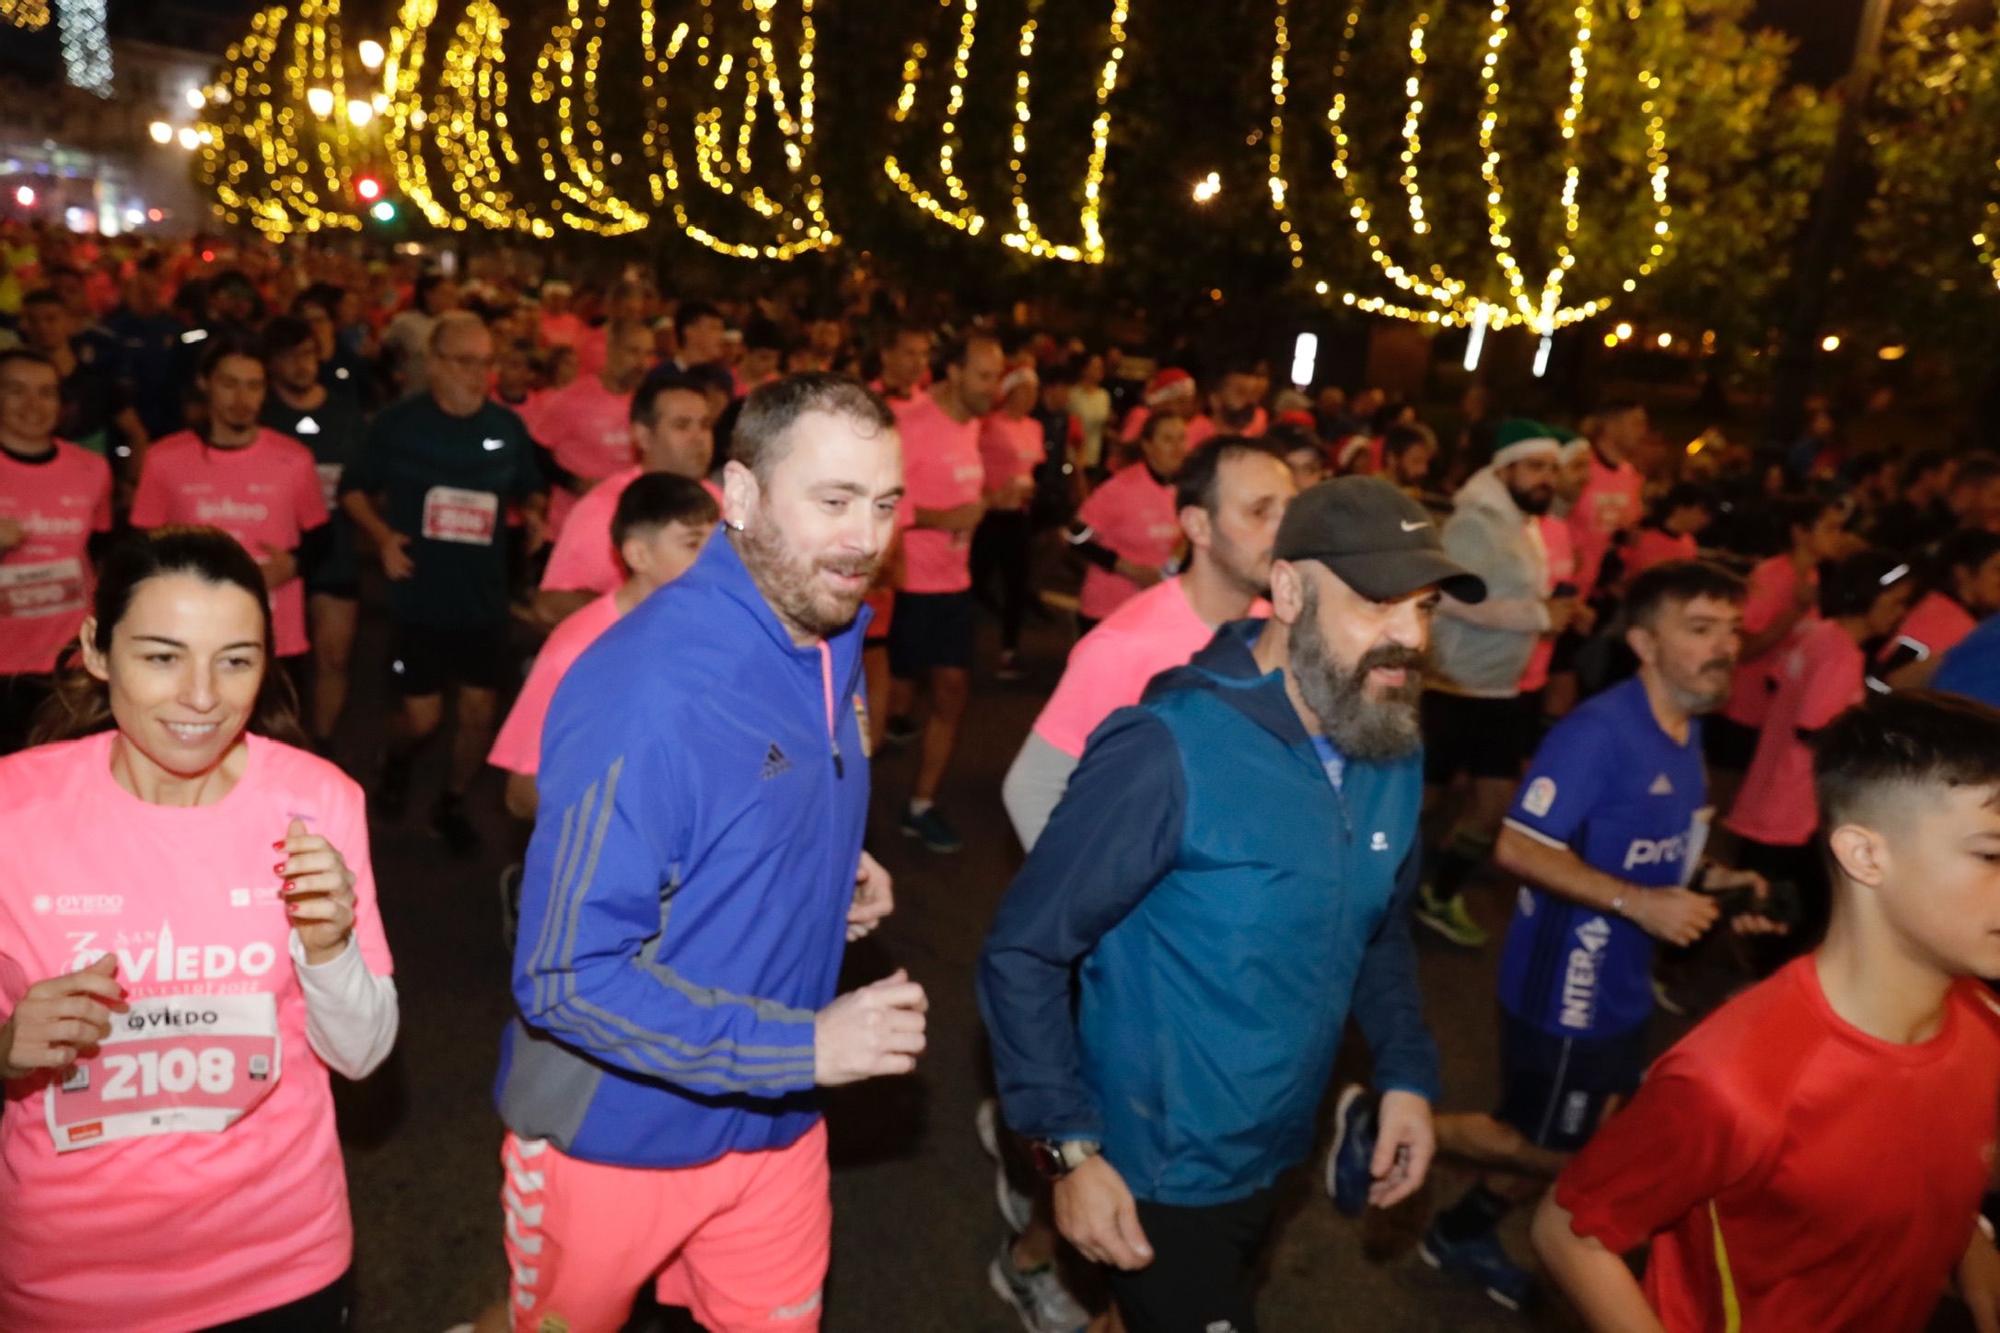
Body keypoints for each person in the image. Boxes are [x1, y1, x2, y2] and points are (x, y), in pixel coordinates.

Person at [980, 477, 1481, 1333]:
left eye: (1424, 607)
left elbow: (1380, 928)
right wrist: (1065, 1153)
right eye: (1376, 603)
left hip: (1278, 1145)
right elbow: (1022, 951)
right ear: (1287, 590)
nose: (1408, 638)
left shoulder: (1387, 739)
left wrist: (1402, 1069)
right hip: (1159, 1165)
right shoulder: (1168, 748)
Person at [484, 374, 923, 1333]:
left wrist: (818, 864)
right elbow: (563, 976)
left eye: (885, 503)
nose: (867, 537)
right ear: (743, 494)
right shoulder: (649, 688)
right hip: (611, 1136)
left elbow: (765, 791)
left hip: (775, 1123)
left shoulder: (825, 622)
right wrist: (803, 1044)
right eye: (835, 501)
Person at [0, 526, 395, 1328]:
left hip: (282, 1263)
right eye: (161, 656)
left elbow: (361, 1053)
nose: (203, 696)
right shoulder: (13, 810)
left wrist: (328, 948)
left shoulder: (319, 802)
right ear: (97, 650)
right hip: (71, 1280)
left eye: (236, 659)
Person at [1533, 691, 2000, 1333]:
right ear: (1866, 856)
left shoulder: (1984, 1021)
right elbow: (1569, 1232)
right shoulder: (1735, 1083)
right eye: (1991, 855)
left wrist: (1974, 1259)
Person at [983, 436, 1293, 1331]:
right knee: (1110, 1155)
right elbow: (1028, 787)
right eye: (1259, 509)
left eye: (1288, 507)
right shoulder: (1130, 645)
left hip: (1208, 969)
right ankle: (1030, 1256)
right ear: (1196, 524)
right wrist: (1108, 920)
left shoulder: (1278, 625)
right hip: (1133, 964)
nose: (1283, 527)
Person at [1409, 561, 1767, 1310]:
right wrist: (1641, 905)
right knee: (1550, 1140)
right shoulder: (1601, 731)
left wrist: (1721, 889)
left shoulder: (1685, 725)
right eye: (1700, 629)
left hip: (1623, 986)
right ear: (1643, 640)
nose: (1725, 647)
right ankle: (1393, 1125)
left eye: (1731, 628)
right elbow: (1517, 845)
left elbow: (1659, 849)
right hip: (1566, 988)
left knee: (1575, 1130)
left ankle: (1459, 1228)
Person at [340, 311, 546, 855]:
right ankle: (396, 760)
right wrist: (383, 538)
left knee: (480, 713)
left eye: (485, 363)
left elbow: (530, 488)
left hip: (483, 599)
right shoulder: (398, 425)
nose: (477, 374)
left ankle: (451, 803)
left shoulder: (506, 429)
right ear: (433, 364)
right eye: (463, 362)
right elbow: (353, 490)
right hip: (419, 596)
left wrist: (539, 516)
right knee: (422, 718)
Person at [1417, 424, 1576, 949]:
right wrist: (1537, 615)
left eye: (1551, 469)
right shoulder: (1476, 522)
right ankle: (1383, 893)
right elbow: (1451, 597)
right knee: (1416, 805)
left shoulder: (1524, 522)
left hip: (1500, 692)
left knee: (1491, 807)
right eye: (1534, 467)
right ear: (1505, 467)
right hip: (1454, 687)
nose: (1545, 478)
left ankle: (1437, 893)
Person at [489, 473, 716, 820]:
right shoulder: (579, 647)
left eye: (716, 545)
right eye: (692, 544)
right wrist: (625, 823)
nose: (713, 561)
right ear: (639, 555)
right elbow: (521, 792)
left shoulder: (718, 636)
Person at [1726, 550, 1914, 943]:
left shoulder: (1818, 633)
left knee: (1747, 903)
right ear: (1867, 596)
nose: (1899, 615)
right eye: (1894, 602)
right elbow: (1812, 728)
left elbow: (1777, 682)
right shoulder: (1843, 655)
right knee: (1775, 919)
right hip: (1793, 808)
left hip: (1766, 792)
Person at [130, 336, 329, 672]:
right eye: (229, 384)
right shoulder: (165, 458)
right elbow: (139, 545)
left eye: (254, 386)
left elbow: (322, 535)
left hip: (274, 636)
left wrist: (291, 566)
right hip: (189, 634)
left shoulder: (294, 459)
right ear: (204, 383)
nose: (242, 399)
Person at [887, 332, 1003, 853]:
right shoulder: (910, 426)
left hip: (953, 585)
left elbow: (962, 491)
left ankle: (922, 804)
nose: (993, 387)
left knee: (953, 689)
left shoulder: (974, 425)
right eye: (983, 375)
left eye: (996, 375)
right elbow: (880, 501)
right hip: (902, 584)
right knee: (885, 704)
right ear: (953, 373)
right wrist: (941, 518)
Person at [534, 365, 720, 623]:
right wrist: (641, 620)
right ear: (643, 435)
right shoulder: (606, 506)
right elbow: (552, 603)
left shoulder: (720, 501)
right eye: (682, 426)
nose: (699, 438)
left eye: (705, 425)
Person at [259, 315, 369, 752]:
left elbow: (363, 483)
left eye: (307, 354)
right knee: (273, 658)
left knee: (333, 655)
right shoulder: (262, 415)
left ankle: (320, 744)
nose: (301, 366)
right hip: (275, 553)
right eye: (289, 357)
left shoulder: (345, 414)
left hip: (336, 549)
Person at [1705, 495, 1852, 812]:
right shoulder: (1772, 576)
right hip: (1743, 710)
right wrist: (1793, 613)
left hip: (1774, 714)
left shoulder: (1811, 577)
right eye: (1829, 528)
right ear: (1800, 532)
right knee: (1722, 801)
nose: (1837, 537)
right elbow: (1743, 648)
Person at [0, 348, 113, 752]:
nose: (33, 405)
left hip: (69, 662)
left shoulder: (91, 468)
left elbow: (103, 555)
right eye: (16, 391)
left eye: (45, 393)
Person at [523, 316, 656, 538]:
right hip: (571, 530)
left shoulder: (647, 403)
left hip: (623, 531)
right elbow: (536, 450)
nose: (642, 363)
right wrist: (574, 482)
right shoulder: (573, 398)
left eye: (647, 354)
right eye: (633, 352)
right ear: (611, 350)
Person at [1065, 409, 1188, 633]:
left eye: (1182, 438)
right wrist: (1131, 569)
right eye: (1168, 439)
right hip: (1108, 611)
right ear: (1148, 446)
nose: (1178, 447)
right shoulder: (1121, 487)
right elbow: (1075, 536)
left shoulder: (1183, 490)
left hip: (1154, 610)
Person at [972, 362, 1046, 681]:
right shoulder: (990, 424)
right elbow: (972, 460)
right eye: (1026, 389)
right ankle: (963, 648)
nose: (1031, 396)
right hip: (990, 515)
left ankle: (1009, 650)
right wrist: (991, 493)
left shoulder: (1034, 427)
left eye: (1035, 391)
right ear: (1011, 391)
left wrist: (1031, 489)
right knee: (976, 582)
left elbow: (1034, 468)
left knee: (1017, 583)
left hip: (1019, 514)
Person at [1874, 528, 2000, 691]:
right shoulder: (1950, 622)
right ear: (1962, 573)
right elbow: (1892, 682)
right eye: (1997, 570)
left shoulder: (1934, 605)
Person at [1567, 399, 1647, 602]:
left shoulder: (1629, 474)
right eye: (1635, 423)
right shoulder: (1580, 465)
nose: (1642, 431)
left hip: (1600, 589)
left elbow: (1627, 527)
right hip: (1565, 584)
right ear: (1610, 425)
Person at [379, 270, 459, 398]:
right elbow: (385, 349)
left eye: (451, 295)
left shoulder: (454, 322)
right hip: (414, 390)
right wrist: (394, 372)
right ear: (428, 294)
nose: (449, 299)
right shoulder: (404, 322)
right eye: (444, 294)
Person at [1870, 448, 1955, 554]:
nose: (1953, 482)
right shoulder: (1891, 516)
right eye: (1949, 475)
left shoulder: (1943, 512)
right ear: (1928, 475)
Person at [1621, 483, 1713, 580]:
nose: (1705, 520)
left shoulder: (1689, 543)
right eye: (1702, 512)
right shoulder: (1640, 534)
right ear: (1681, 508)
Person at [1068, 352, 1112, 474]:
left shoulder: (1104, 396)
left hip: (1094, 454)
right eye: (1095, 367)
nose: (1099, 371)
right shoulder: (1073, 394)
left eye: (1101, 367)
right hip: (1072, 455)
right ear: (1084, 369)